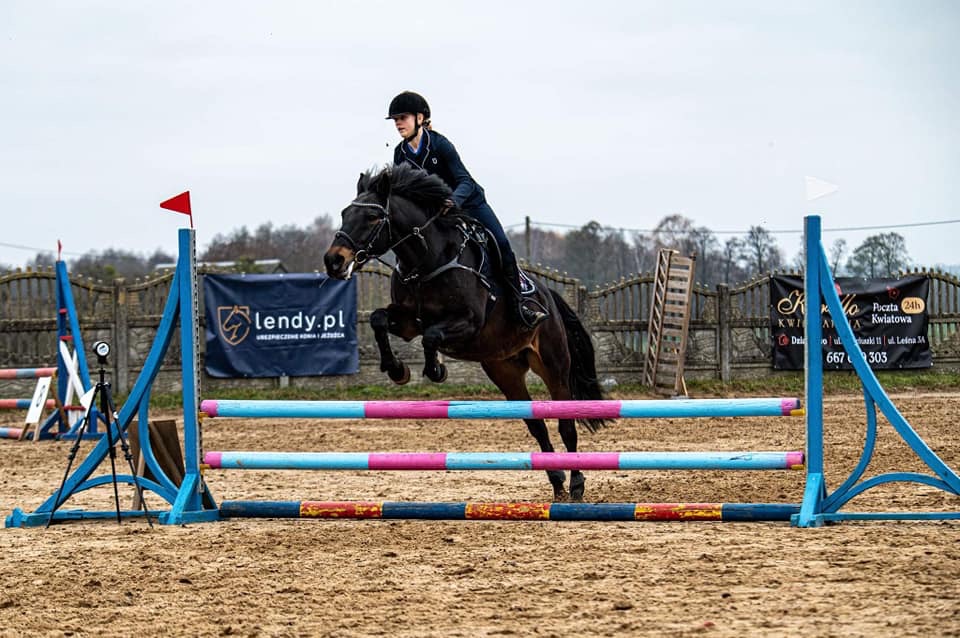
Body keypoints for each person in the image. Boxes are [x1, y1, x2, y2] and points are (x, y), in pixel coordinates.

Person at [385, 91, 548, 329]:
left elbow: (465, 181)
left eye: (403, 117)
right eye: (395, 119)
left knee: (500, 243)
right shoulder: (400, 153)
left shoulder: (440, 145)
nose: (398, 123)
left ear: (420, 118)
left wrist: (452, 200)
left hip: (469, 203)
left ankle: (520, 304)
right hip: (437, 214)